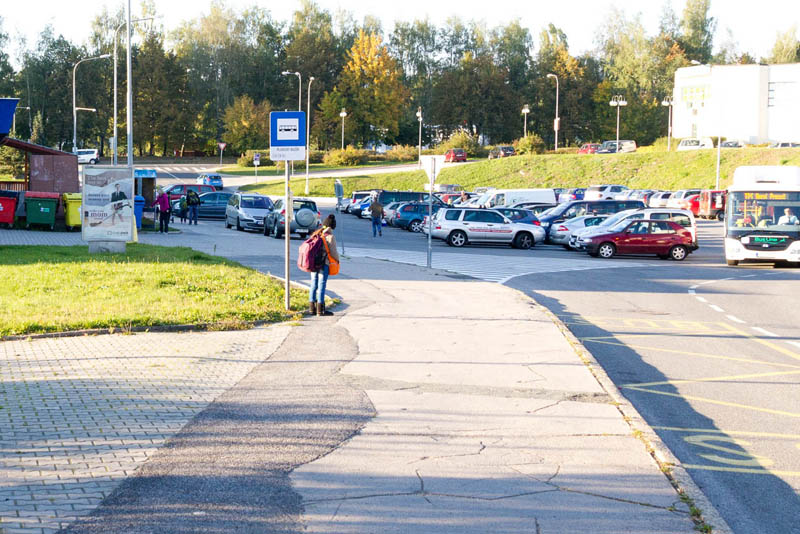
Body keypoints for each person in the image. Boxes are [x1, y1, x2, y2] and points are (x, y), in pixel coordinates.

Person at [309, 214, 340, 316]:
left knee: (313, 284)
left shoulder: (316, 234)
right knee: (322, 285)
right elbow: (334, 253)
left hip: (313, 264)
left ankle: (311, 308)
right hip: (324, 264)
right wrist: (337, 261)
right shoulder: (330, 237)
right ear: (332, 227)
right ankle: (320, 310)